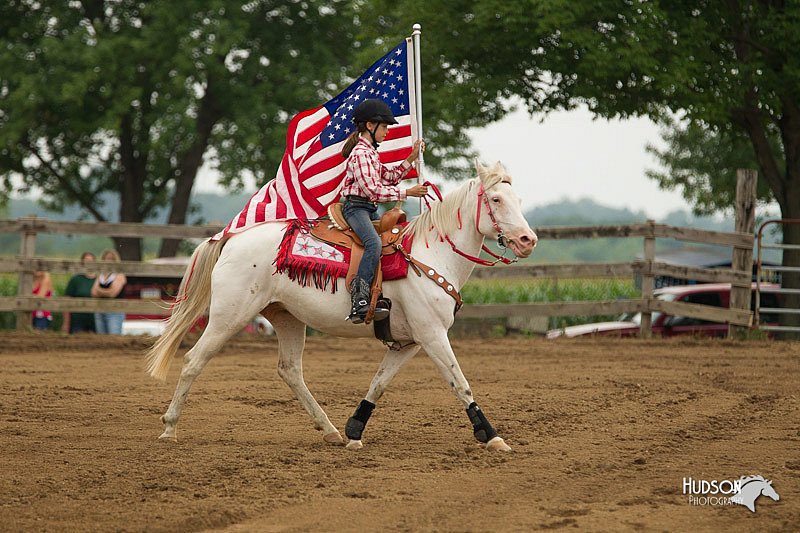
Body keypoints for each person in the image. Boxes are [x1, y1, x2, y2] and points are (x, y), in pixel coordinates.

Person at [339, 98, 427, 323]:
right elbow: (373, 191)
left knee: (390, 243)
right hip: (355, 208)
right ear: (370, 125)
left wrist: (411, 158)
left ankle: (382, 294)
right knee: (374, 243)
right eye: (385, 126)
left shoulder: (369, 152)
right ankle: (359, 298)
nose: (387, 131)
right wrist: (408, 193)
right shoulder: (360, 153)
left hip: (367, 208)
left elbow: (388, 177)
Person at [91, 248, 127, 335]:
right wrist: (106, 291)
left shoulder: (119, 275)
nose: (108, 261)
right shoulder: (101, 275)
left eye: (111, 259)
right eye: (106, 258)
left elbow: (113, 293)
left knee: (113, 337)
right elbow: (93, 292)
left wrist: (100, 291)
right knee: (101, 340)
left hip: (115, 311)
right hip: (100, 309)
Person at [63, 251, 97, 334]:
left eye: (90, 261)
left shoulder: (99, 279)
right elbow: (66, 300)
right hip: (78, 320)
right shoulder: (76, 279)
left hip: (95, 320)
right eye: (86, 261)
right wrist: (66, 322)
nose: (88, 263)